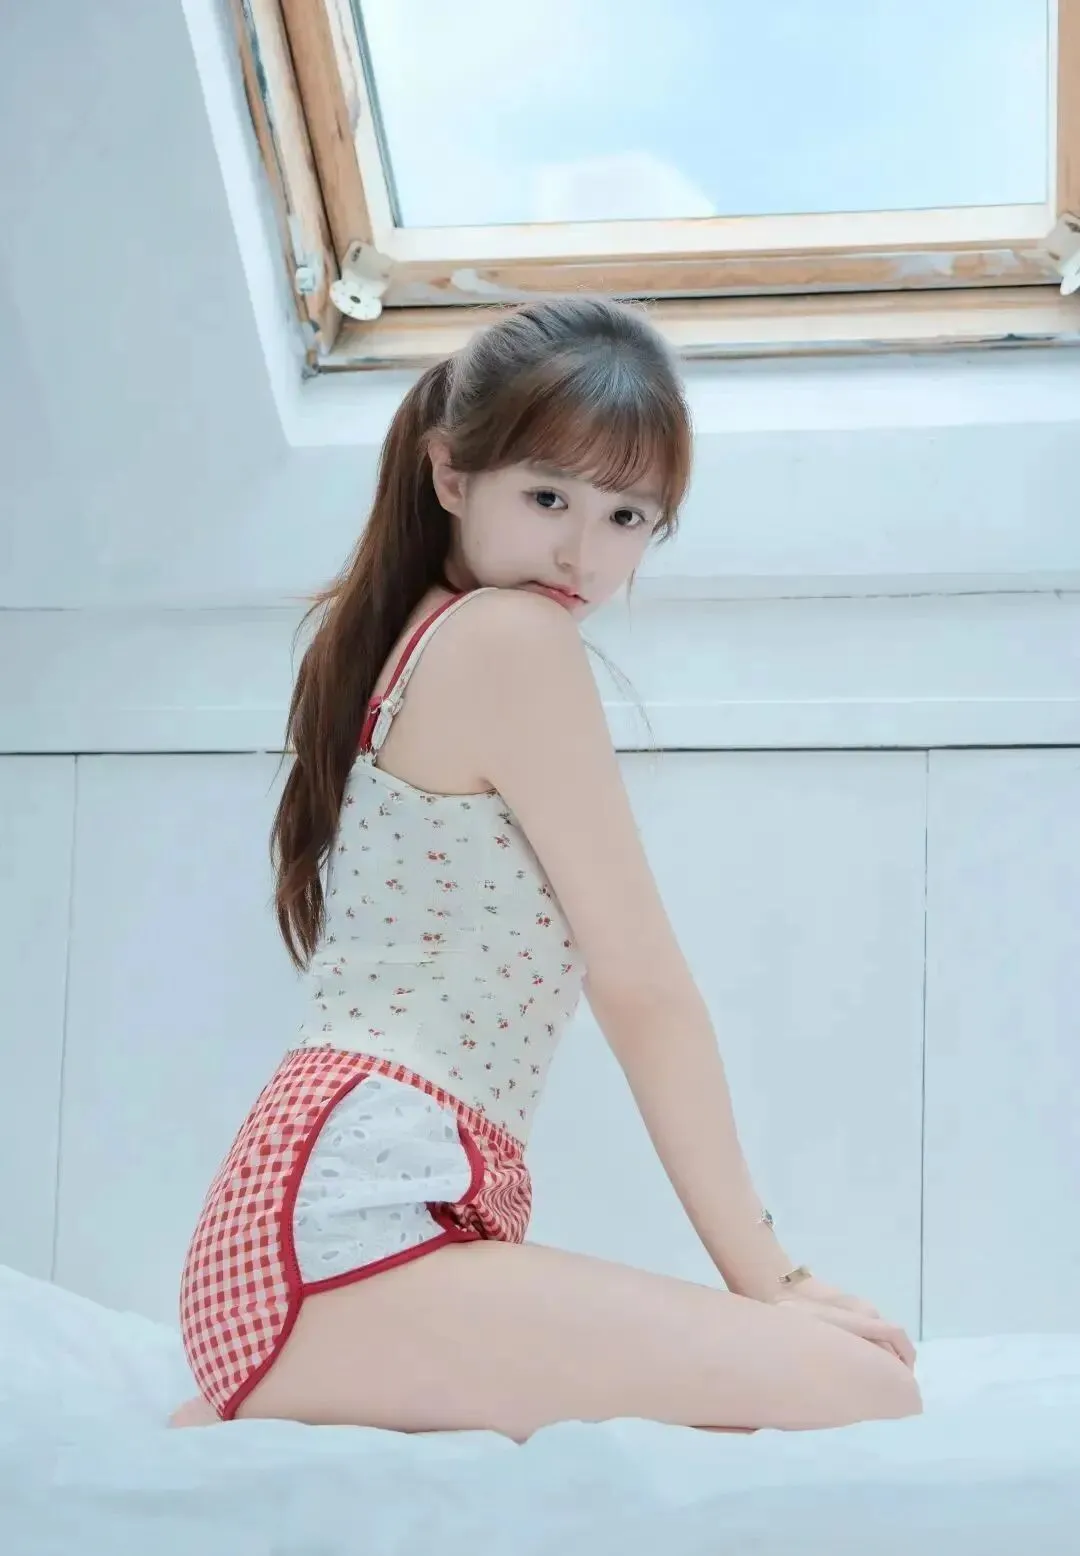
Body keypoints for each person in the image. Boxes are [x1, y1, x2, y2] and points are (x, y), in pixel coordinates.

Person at [170, 297, 921, 1439]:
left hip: (322, 1227)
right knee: (864, 1386)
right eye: (548, 497)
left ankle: (274, 1393)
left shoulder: (435, 631)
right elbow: (642, 986)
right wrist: (772, 1279)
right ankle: (290, 1376)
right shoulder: (509, 637)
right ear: (450, 473)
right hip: (343, 1240)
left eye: (627, 516)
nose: (583, 552)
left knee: (838, 1377)